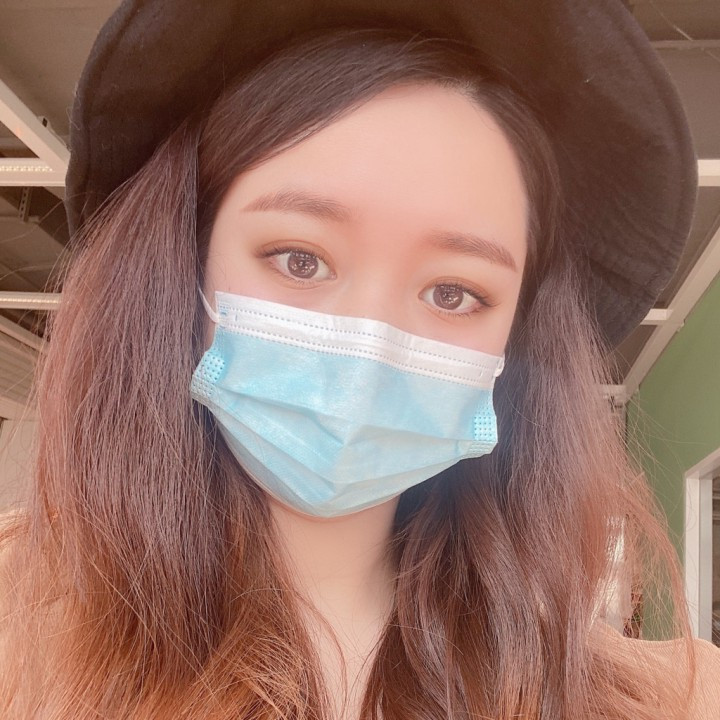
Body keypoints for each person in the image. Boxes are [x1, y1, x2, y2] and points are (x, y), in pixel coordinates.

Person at [1, 1, 719, 718]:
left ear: (517, 343)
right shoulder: (18, 632)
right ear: (179, 263)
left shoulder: (660, 700)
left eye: (452, 292)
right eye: (299, 259)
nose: (367, 343)